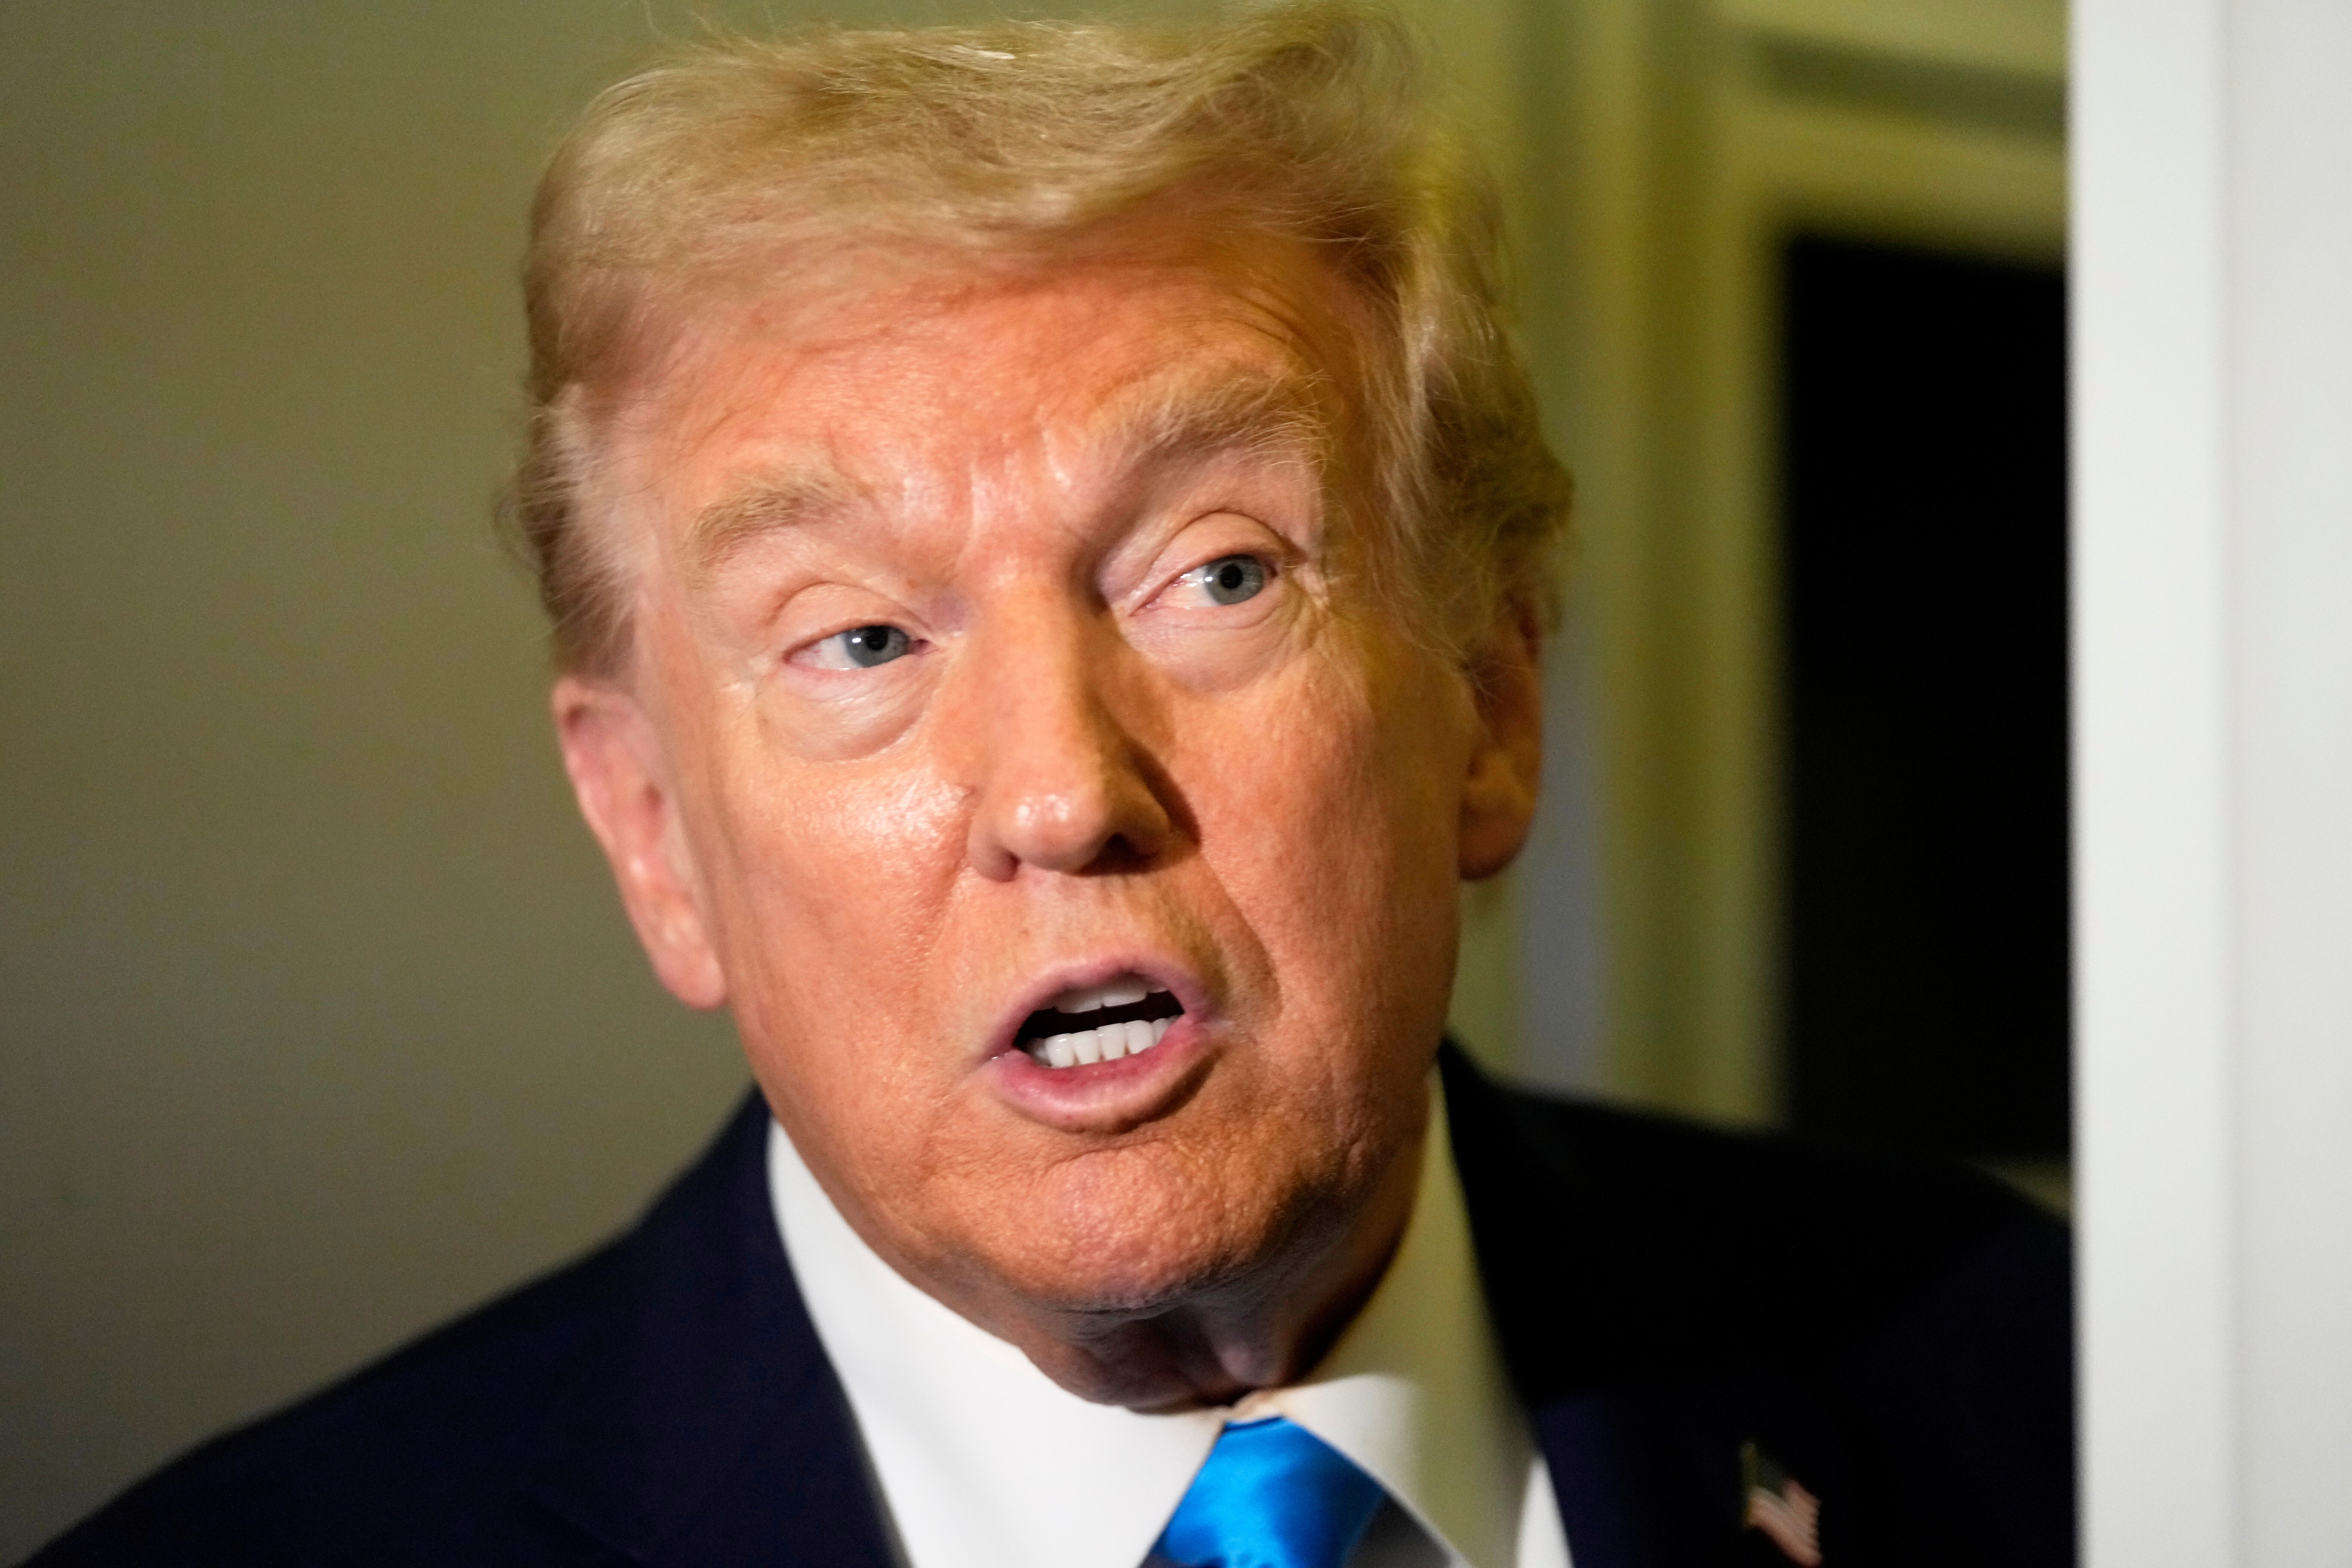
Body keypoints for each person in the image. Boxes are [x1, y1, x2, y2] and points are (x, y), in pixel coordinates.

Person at [27, 6, 2071, 1565]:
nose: (1059, 794)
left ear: (1494, 696)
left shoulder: (2055, 1393)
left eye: (1217, 574)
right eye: (861, 640)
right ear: (653, 832)